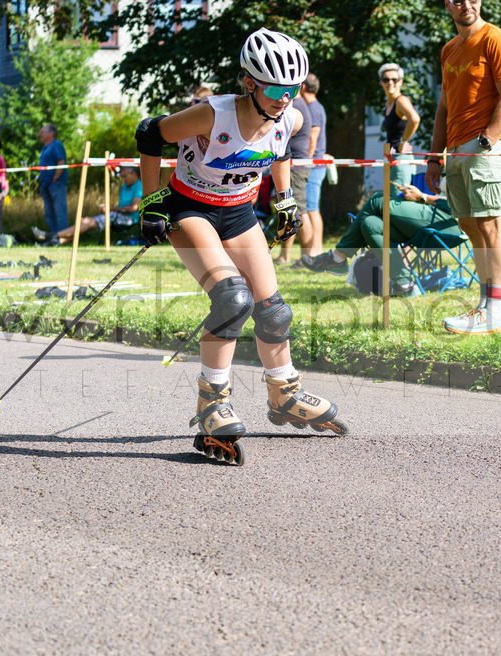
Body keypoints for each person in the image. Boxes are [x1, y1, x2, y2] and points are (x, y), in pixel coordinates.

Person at [134, 28, 344, 464]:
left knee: (273, 310)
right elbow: (150, 133)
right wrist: (150, 201)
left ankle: (284, 392)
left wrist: (284, 197)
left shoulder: (291, 117)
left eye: (292, 89)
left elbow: (280, 150)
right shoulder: (212, 115)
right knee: (233, 300)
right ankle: (211, 403)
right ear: (249, 82)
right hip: (189, 208)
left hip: (238, 212)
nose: (286, 98)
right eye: (276, 89)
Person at [425, 0, 501, 335]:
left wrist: (487, 140)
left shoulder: (496, 39)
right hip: (455, 149)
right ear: (447, 5)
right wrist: (434, 157)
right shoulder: (449, 49)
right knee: (470, 225)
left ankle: (496, 310)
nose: (465, 4)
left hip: (484, 147)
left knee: (492, 225)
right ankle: (484, 307)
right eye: (456, 0)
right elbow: (444, 107)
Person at [301, 179, 462, 294]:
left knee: (377, 200)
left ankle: (338, 257)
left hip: (449, 221)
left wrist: (422, 197)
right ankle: (404, 284)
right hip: (436, 218)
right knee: (370, 224)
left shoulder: (469, 150)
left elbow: (461, 202)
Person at [35, 166, 142, 245]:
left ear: (134, 174)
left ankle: (50, 235)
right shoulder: (125, 186)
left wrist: (111, 208)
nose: (123, 179)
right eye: (122, 176)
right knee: (84, 221)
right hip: (116, 215)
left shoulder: (139, 186)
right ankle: (57, 241)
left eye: (125, 176)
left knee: (87, 222)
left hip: (128, 219)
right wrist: (108, 208)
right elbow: (122, 206)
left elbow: (134, 208)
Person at [274, 88, 314, 264]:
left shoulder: (296, 106)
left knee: (300, 211)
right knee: (290, 210)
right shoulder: (297, 104)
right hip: (294, 165)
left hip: (296, 167)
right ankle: (285, 256)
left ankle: (308, 258)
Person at [298, 73, 327, 258]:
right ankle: (314, 249)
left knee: (312, 208)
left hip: (313, 166)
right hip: (314, 164)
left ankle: (316, 250)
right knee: (310, 208)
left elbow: (312, 138)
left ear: (302, 87)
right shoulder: (315, 106)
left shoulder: (313, 108)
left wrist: (305, 163)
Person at [379, 62, 421, 188]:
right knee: (388, 197)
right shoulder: (388, 104)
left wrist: (403, 142)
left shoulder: (401, 101)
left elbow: (415, 119)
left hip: (402, 160)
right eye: (386, 79)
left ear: (401, 82)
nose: (390, 83)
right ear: (381, 82)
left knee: (395, 198)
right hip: (393, 158)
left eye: (394, 79)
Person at [37, 124, 69, 246]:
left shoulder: (56, 145)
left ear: (51, 133)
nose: (40, 134)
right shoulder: (44, 147)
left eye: (42, 132)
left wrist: (55, 178)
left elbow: (61, 161)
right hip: (45, 185)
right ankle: (53, 239)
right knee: (49, 213)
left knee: (59, 212)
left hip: (56, 184)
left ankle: (62, 238)